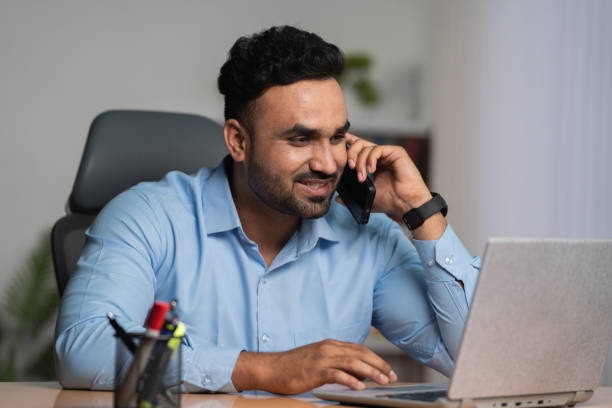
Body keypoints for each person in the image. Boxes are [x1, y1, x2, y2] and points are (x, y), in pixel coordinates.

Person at [55, 25, 480, 395]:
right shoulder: (147, 217)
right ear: (238, 141)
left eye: (336, 138)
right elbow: (83, 349)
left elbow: (475, 360)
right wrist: (264, 369)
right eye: (300, 140)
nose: (328, 163)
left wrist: (419, 210)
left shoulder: (368, 237)